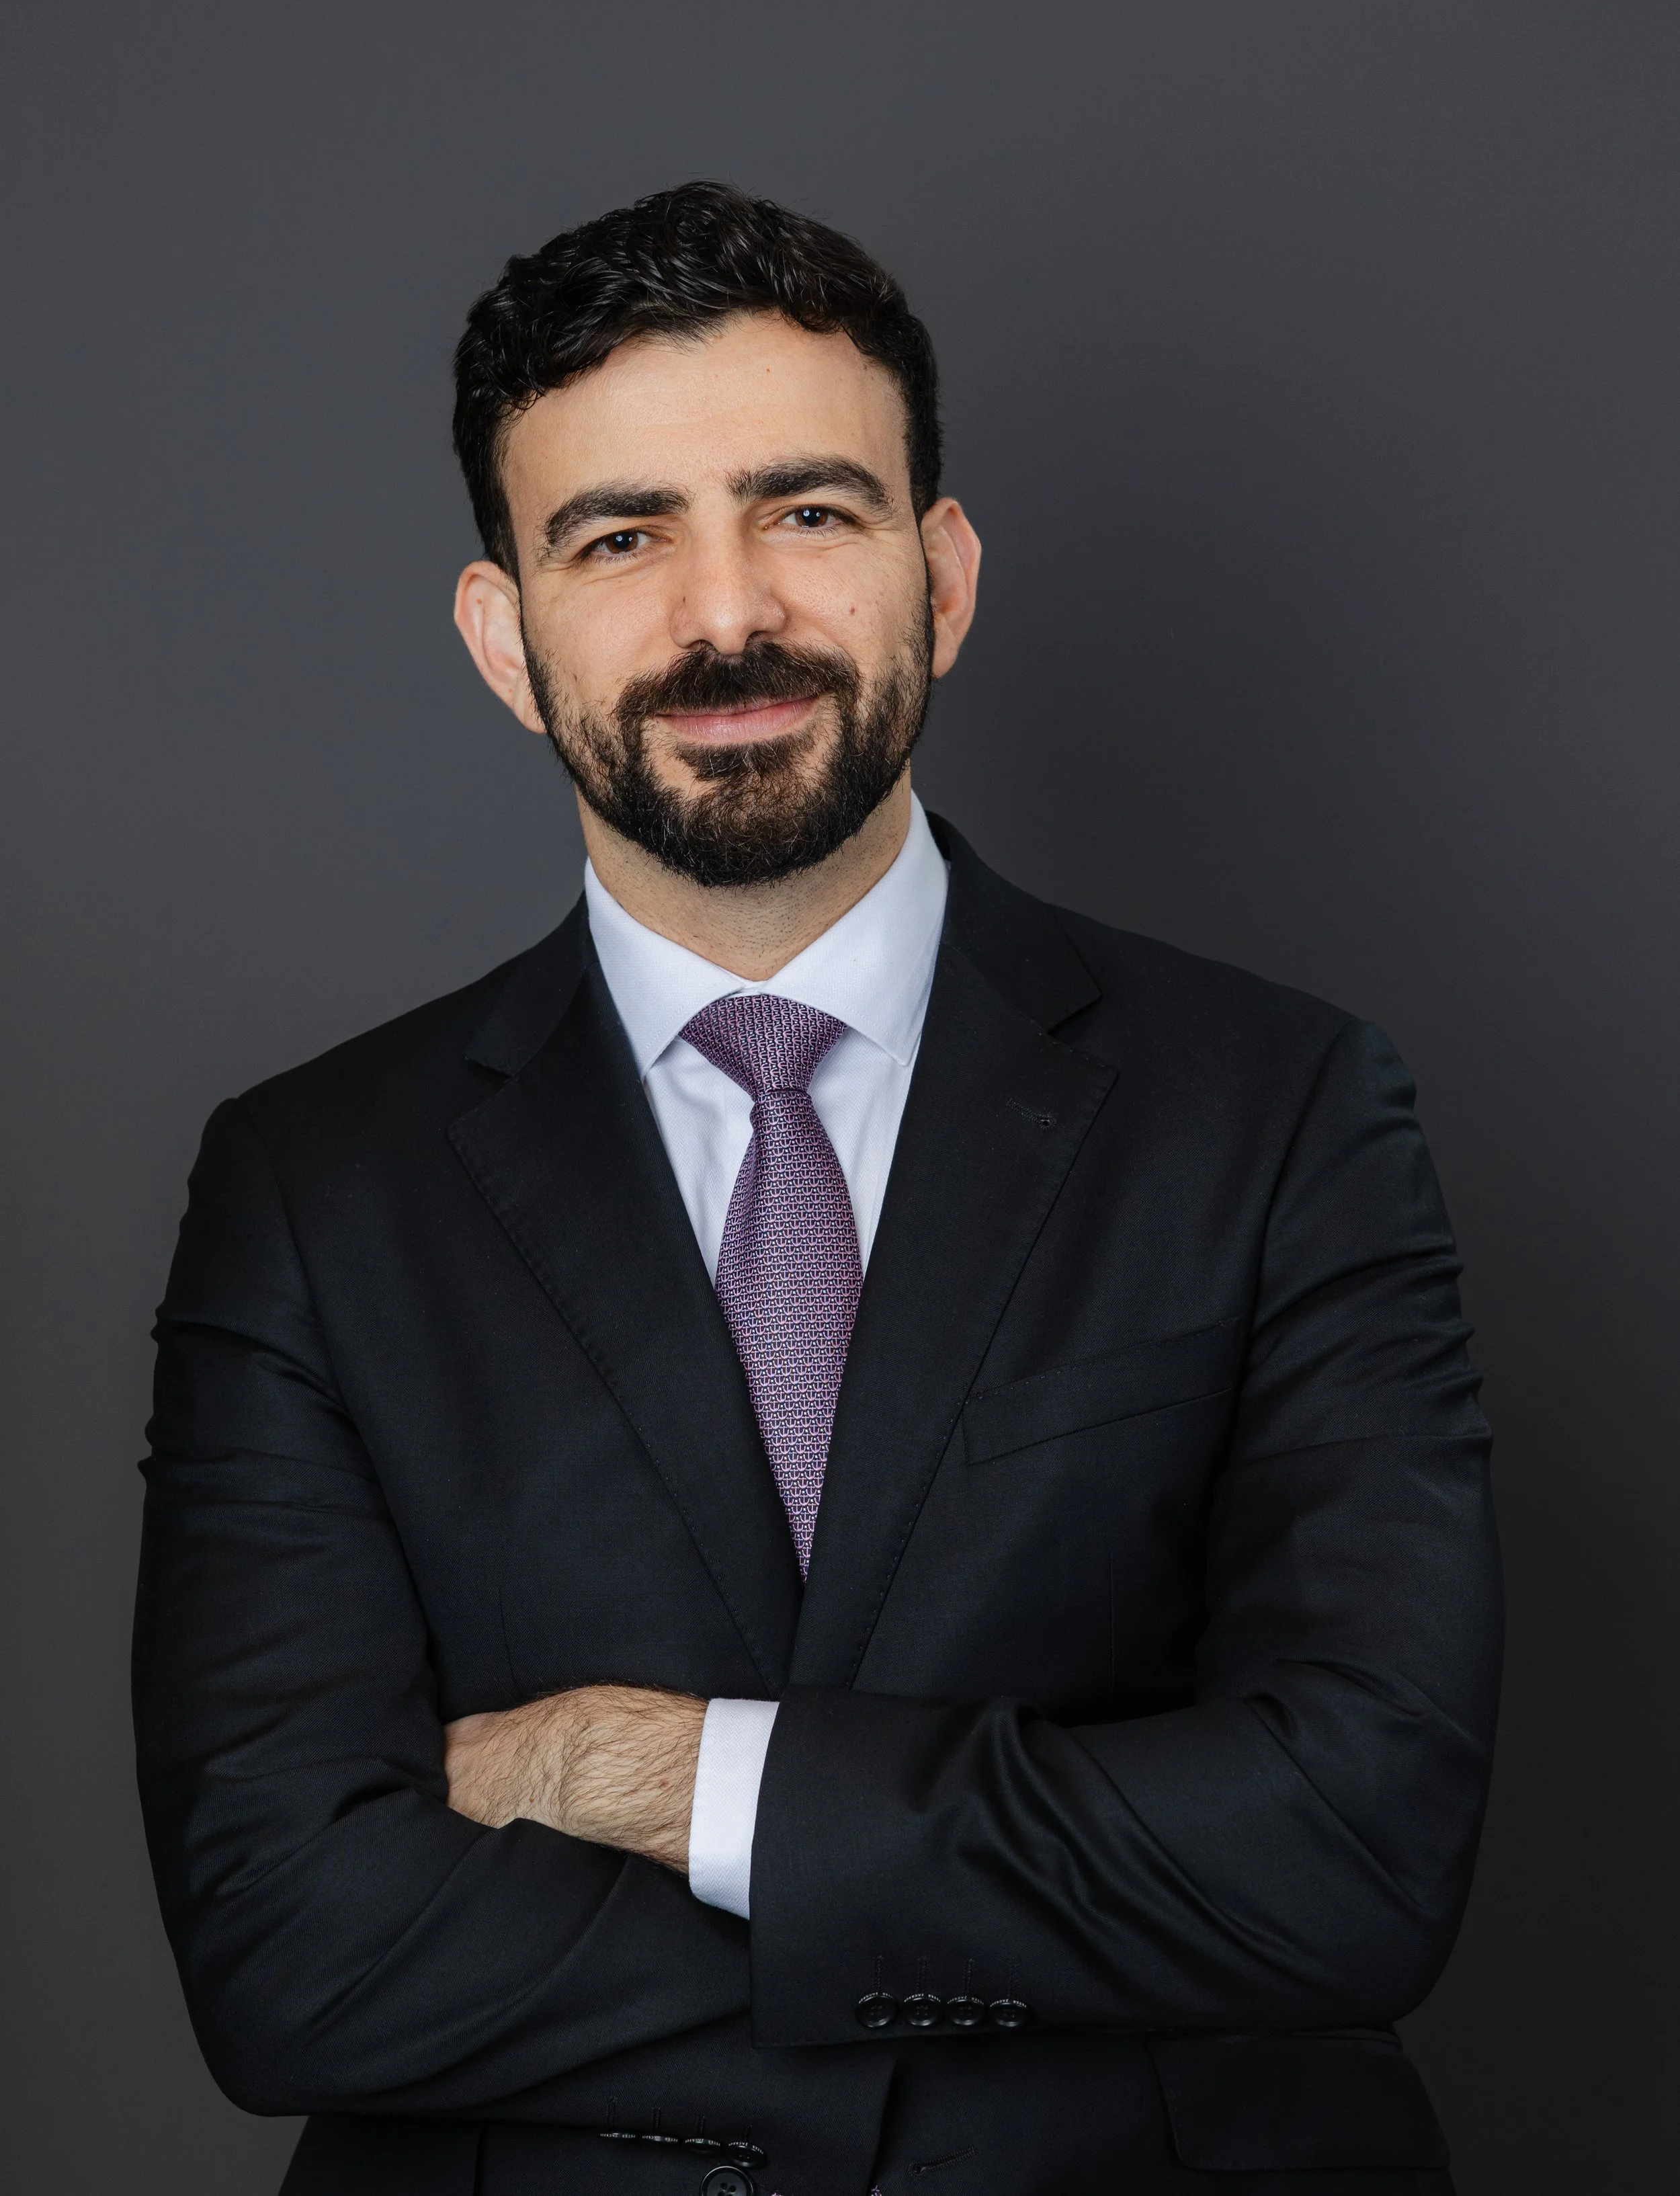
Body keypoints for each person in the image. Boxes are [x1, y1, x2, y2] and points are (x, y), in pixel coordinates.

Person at [134, 181, 1501, 2196]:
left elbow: (1355, 1851)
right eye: (621, 536)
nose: (727, 613)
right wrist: (1076, 1904)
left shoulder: (1279, 1104)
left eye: (809, 511)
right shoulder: (310, 1182)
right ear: (506, 639)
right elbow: (285, 1948)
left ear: (938, 578)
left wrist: (657, 1775)